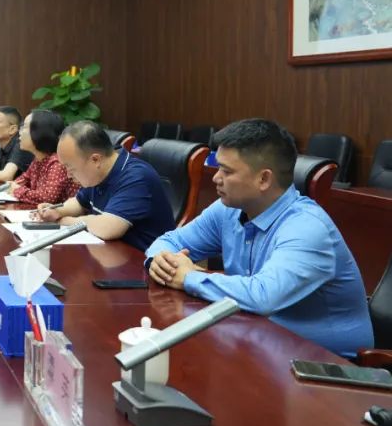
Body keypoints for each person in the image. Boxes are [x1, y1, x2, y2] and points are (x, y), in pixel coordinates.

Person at [145, 118, 372, 357]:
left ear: (264, 179)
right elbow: (170, 241)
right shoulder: (228, 210)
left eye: (227, 171)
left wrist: (189, 277)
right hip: (258, 339)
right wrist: (160, 261)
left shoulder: (307, 228)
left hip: (325, 365)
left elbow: (263, 297)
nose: (215, 178)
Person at [38, 120, 174, 250]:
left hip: (144, 259)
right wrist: (57, 211)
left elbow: (107, 228)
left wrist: (63, 221)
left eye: (71, 168)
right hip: (111, 252)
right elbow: (79, 203)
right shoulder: (97, 173)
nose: (68, 175)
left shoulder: (136, 177)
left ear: (95, 160)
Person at [7, 110, 80, 206]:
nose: (19, 132)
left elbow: (47, 198)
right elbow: (21, 181)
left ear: (40, 133)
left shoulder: (57, 162)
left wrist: (17, 190)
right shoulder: (38, 159)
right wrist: (14, 186)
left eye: (24, 127)